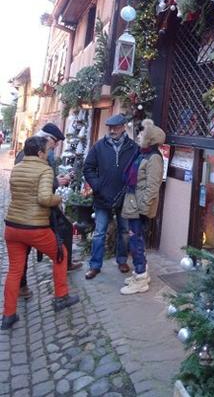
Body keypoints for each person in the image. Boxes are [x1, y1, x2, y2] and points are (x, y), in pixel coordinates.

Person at [1, 136, 79, 330]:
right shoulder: (44, 169)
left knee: (14, 270)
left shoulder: (17, 168)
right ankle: (61, 296)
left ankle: (8, 315)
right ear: (39, 153)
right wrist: (57, 199)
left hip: (12, 226)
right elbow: (44, 198)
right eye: (47, 151)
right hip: (34, 227)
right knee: (61, 255)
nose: (48, 154)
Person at [16, 123, 82, 300]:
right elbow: (34, 185)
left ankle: (64, 264)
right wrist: (56, 185)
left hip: (30, 210)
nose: (56, 145)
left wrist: (55, 181)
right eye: (55, 141)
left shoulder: (38, 153)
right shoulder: (33, 154)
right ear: (46, 140)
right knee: (31, 248)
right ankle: (56, 292)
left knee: (66, 228)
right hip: (35, 210)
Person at [83, 114, 139, 279]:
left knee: (124, 231)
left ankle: (121, 260)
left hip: (124, 197)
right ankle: (95, 265)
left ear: (123, 127)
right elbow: (88, 168)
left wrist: (131, 187)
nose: (112, 130)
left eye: (115, 127)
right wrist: (97, 185)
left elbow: (138, 170)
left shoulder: (133, 147)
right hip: (102, 197)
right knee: (99, 232)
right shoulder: (99, 146)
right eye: (110, 127)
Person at [120, 119, 165, 295]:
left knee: (136, 241)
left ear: (150, 139)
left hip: (139, 207)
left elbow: (153, 186)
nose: (138, 136)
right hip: (133, 203)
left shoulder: (154, 158)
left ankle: (140, 278)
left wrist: (143, 208)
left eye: (141, 134)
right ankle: (140, 273)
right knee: (134, 239)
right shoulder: (141, 154)